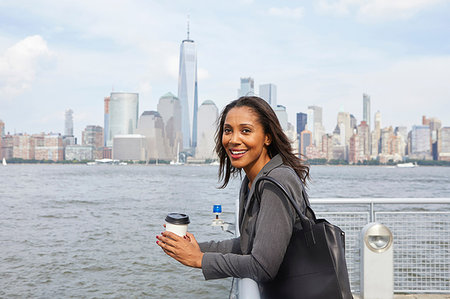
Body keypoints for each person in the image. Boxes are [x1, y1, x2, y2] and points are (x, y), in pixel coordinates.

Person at [156, 96, 310, 297]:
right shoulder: (251, 182)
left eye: (245, 131)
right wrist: (193, 248)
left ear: (267, 137)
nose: (233, 139)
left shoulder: (276, 182)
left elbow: (262, 267)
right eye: (228, 130)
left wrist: (199, 259)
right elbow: (247, 244)